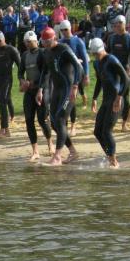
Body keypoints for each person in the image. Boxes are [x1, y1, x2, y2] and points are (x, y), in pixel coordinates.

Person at [37, 27, 81, 166]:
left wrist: (75, 87)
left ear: (54, 38)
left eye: (48, 42)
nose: (45, 44)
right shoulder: (46, 52)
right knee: (54, 122)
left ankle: (57, 157)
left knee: (61, 119)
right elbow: (45, 72)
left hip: (68, 90)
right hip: (57, 91)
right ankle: (73, 152)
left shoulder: (64, 49)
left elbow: (78, 67)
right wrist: (40, 90)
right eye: (43, 42)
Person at [90, 38, 130, 168]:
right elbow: (99, 81)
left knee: (106, 131)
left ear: (102, 50)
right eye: (94, 54)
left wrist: (119, 97)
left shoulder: (111, 60)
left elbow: (126, 79)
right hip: (106, 100)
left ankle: (114, 161)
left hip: (116, 100)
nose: (96, 56)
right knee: (97, 132)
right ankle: (110, 156)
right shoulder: (96, 63)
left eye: (97, 54)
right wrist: (94, 98)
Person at [18, 31, 53, 161]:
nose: (27, 44)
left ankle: (50, 143)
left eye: (29, 42)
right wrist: (22, 81)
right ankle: (35, 151)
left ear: (35, 41)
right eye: (25, 42)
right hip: (29, 91)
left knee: (42, 120)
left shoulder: (43, 53)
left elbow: (46, 73)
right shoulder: (24, 55)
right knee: (29, 120)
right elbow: (20, 72)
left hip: (42, 90)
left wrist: (33, 83)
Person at [106, 15, 130, 130]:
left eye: (120, 22)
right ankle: (111, 119)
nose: (118, 25)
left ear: (124, 24)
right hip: (113, 70)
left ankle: (124, 123)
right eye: (116, 23)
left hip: (125, 70)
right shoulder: (111, 38)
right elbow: (108, 53)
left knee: (125, 95)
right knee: (112, 94)